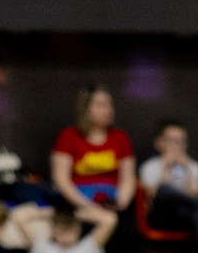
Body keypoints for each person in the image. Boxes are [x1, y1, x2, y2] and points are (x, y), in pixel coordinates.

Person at [139, 118, 198, 253]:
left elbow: (196, 195)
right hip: (161, 215)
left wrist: (189, 172)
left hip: (185, 216)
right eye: (172, 140)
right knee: (164, 190)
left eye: (181, 141)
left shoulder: (194, 166)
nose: (177, 146)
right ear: (159, 143)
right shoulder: (150, 166)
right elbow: (153, 195)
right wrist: (166, 166)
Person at [50, 84, 135, 214]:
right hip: (77, 202)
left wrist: (121, 202)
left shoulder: (120, 137)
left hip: (111, 201)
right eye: (101, 105)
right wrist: (87, 206)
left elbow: (128, 178)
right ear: (85, 108)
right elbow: (61, 179)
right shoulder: (68, 136)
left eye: (110, 105)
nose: (108, 110)